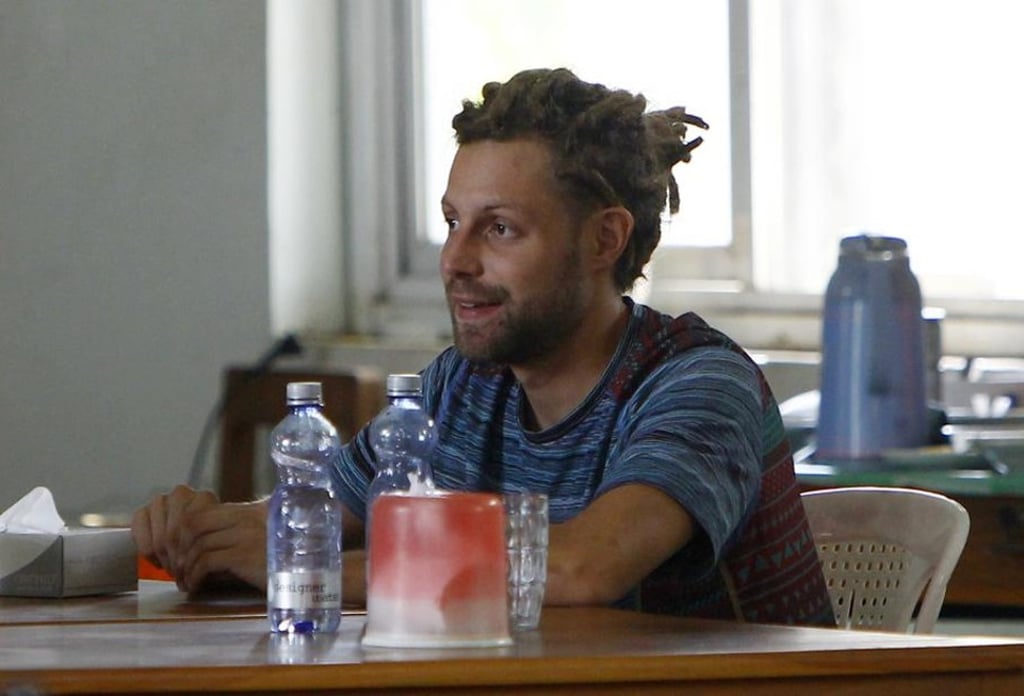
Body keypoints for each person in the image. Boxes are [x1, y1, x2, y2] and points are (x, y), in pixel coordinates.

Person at [133, 67, 834, 625]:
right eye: (452, 223)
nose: (455, 261)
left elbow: (582, 568)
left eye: (499, 229)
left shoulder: (698, 383)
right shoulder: (462, 385)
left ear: (604, 239)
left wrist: (301, 566)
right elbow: (313, 518)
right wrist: (204, 529)